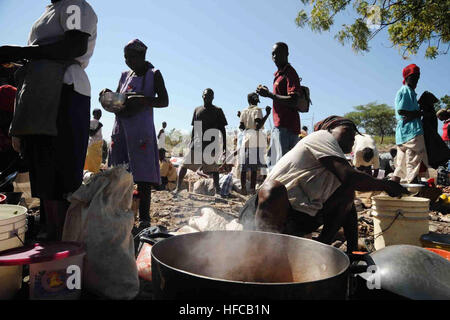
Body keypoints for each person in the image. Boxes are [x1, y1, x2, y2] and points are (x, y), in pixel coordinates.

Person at [0, 0, 97, 241]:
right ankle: (49, 230)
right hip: (41, 90)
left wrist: (20, 52)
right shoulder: (50, 11)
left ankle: (64, 236)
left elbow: (74, 45)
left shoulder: (73, 5)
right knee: (41, 164)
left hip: (64, 88)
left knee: (59, 165)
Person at [239, 116, 408, 253]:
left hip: (296, 222)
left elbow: (348, 207)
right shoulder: (320, 137)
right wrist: (386, 185)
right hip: (267, 215)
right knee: (273, 189)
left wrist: (353, 252)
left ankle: (320, 251)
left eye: (354, 134)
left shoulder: (337, 162)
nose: (352, 136)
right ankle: (258, 254)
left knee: (347, 193)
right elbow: (351, 177)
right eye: (347, 129)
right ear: (329, 128)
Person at [104, 39, 169, 228]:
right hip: (122, 129)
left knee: (143, 177)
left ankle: (144, 219)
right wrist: (108, 96)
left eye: (131, 57)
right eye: (125, 58)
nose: (128, 61)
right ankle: (119, 214)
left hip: (141, 131)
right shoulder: (125, 75)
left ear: (142, 56)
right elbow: (118, 98)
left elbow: (164, 101)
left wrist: (144, 100)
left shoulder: (153, 74)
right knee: (119, 174)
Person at [256, 42, 304, 168]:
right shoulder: (279, 74)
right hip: (279, 126)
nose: (275, 56)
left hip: (287, 127)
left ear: (287, 54)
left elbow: (294, 100)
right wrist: (268, 93)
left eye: (278, 53)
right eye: (273, 54)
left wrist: (269, 95)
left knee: (281, 167)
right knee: (273, 164)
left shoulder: (290, 73)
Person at [175, 88, 228, 195]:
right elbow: (195, 127)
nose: (206, 97)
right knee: (184, 165)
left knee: (214, 169)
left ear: (212, 97)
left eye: (209, 95)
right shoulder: (197, 110)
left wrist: (224, 145)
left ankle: (218, 191)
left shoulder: (218, 110)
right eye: (204, 95)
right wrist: (191, 141)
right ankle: (178, 188)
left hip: (211, 144)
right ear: (202, 96)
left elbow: (222, 129)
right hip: (197, 144)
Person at [391, 64, 429, 184]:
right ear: (407, 77)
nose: (416, 79)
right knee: (414, 162)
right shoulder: (406, 90)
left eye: (418, 77)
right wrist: (418, 114)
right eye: (414, 77)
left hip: (403, 134)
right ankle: (412, 192)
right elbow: (402, 111)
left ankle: (392, 188)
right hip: (412, 132)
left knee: (401, 165)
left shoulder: (407, 91)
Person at [238, 92, 271, 194]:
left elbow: (241, 127)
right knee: (253, 167)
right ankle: (252, 189)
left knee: (243, 167)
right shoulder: (258, 110)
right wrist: (267, 114)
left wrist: (243, 119)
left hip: (245, 140)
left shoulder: (244, 111)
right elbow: (258, 126)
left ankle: (243, 188)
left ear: (248, 101)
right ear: (256, 101)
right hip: (255, 140)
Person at [84, 108, 103, 173]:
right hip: (93, 145)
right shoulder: (91, 122)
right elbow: (91, 133)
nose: (100, 115)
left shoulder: (96, 122)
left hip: (96, 145)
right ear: (93, 114)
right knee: (93, 162)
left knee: (96, 161)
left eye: (100, 114)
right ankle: (91, 175)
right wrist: (99, 127)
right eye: (98, 113)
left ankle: (93, 174)